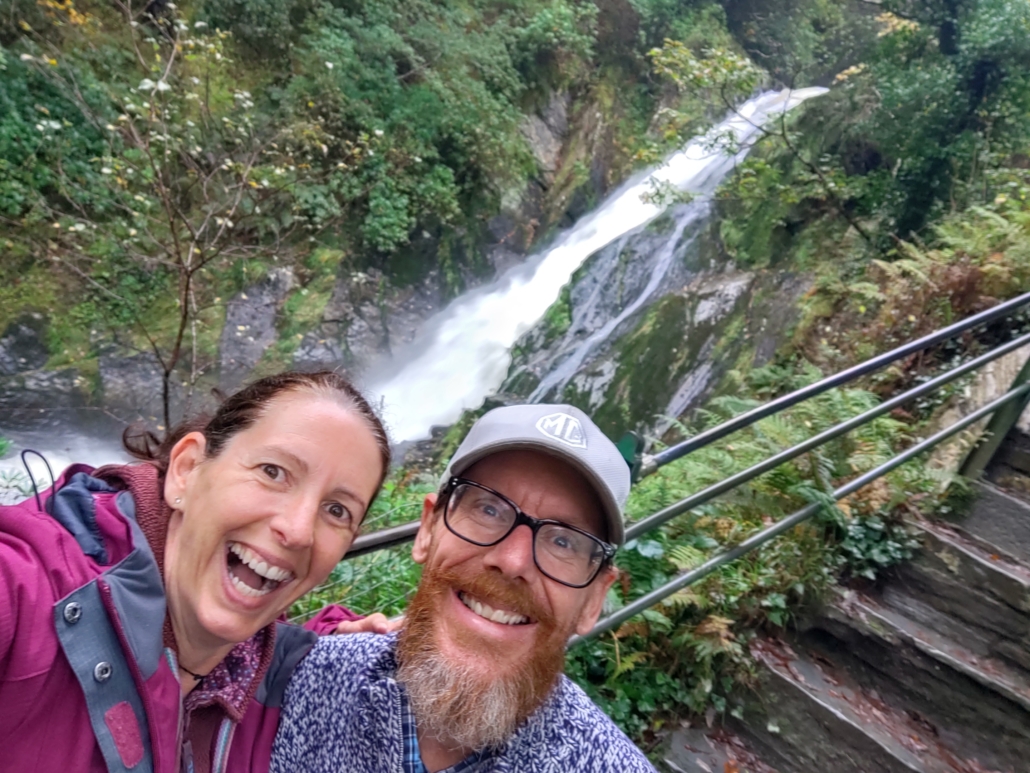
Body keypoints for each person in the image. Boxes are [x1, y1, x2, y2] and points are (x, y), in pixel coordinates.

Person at [0, 370, 392, 773]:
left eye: (336, 510)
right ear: (186, 469)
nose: (297, 531)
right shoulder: (28, 587)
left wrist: (330, 642)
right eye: (272, 472)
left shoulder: (261, 676)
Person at [266, 403, 658, 772]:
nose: (512, 561)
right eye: (488, 509)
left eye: (564, 541)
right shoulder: (282, 683)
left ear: (593, 600)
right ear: (427, 529)